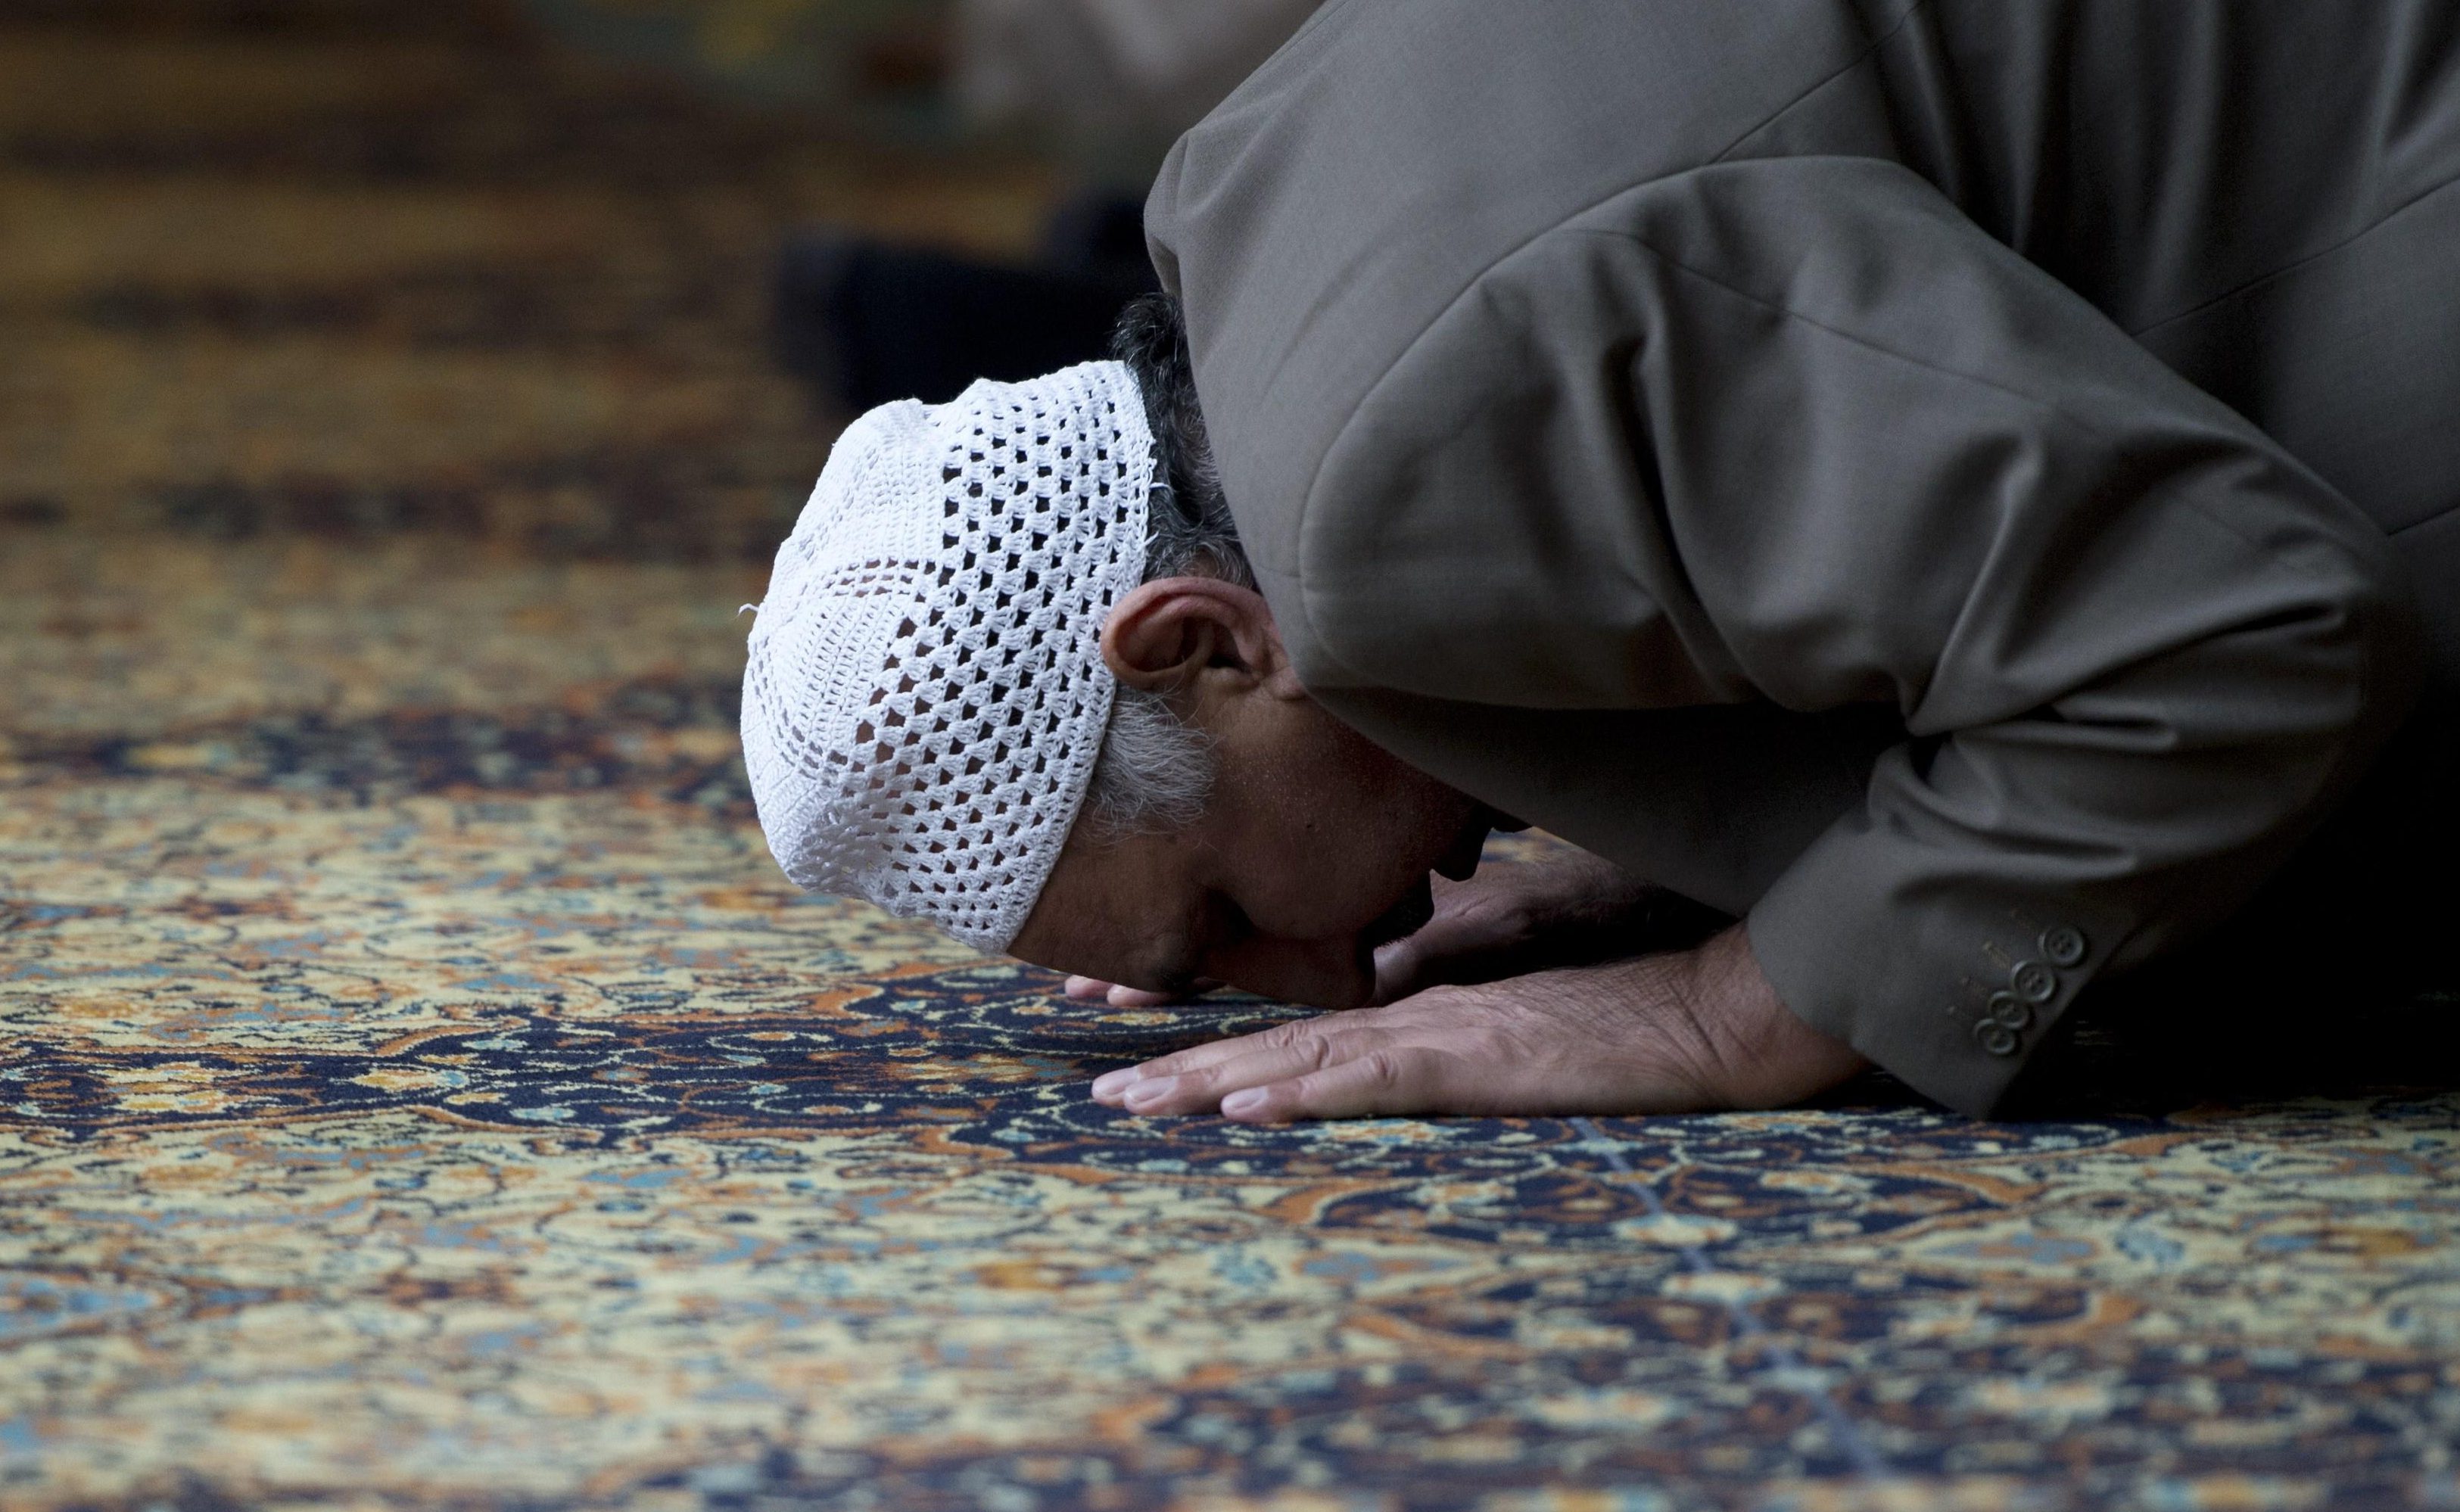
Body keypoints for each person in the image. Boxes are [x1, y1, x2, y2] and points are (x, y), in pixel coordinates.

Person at [742, 0, 2459, 1123]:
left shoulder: (1400, 464)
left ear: (1201, 641)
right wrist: (1687, 859)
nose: (1331, 980)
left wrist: (1734, 1007)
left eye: (1229, 918)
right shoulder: (1244, 200)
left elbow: (2240, 637)